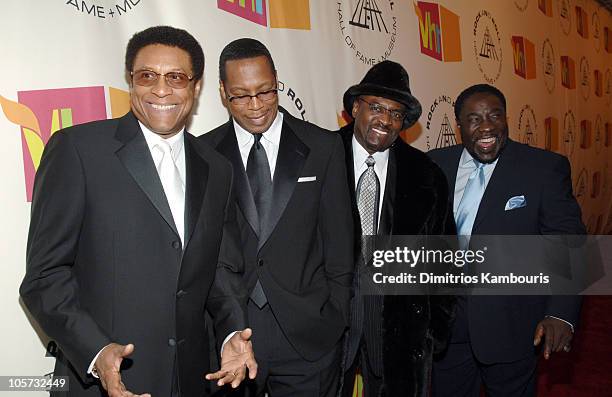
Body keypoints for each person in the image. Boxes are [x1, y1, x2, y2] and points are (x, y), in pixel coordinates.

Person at [20, 26, 257, 397]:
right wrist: (96, 351)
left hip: (193, 378)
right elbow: (44, 277)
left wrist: (230, 331)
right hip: (103, 383)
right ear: (131, 82)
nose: (161, 90)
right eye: (147, 76)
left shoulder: (216, 167)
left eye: (176, 77)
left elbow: (221, 268)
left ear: (195, 88)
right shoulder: (78, 151)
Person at [201, 38, 353, 397]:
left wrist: (335, 318)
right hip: (232, 334)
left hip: (308, 335)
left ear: (277, 82)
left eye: (265, 92)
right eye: (241, 95)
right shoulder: (203, 154)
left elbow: (340, 243)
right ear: (223, 92)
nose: (256, 106)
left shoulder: (323, 146)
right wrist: (224, 328)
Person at [429, 84, 585, 396]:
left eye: (494, 116)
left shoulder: (543, 169)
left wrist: (560, 314)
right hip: (447, 327)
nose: (486, 126)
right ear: (459, 125)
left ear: (506, 118)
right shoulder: (435, 164)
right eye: (474, 119)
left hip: (512, 324)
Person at [337, 60, 456, 397]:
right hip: (331, 322)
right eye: (376, 107)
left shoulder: (427, 175)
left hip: (399, 326)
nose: (385, 120)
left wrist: (436, 328)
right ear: (355, 107)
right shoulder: (320, 156)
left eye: (396, 113)